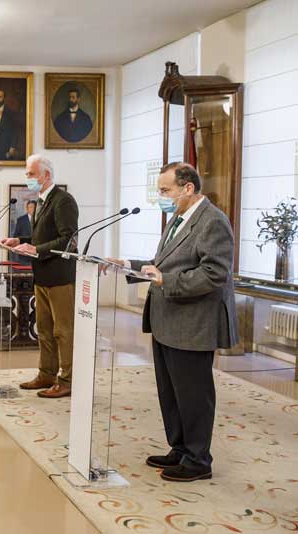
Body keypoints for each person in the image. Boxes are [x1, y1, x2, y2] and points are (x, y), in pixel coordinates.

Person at [104, 163, 236, 483]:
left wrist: (167, 280)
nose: (161, 197)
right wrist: (127, 264)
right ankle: (179, 447)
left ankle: (198, 459)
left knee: (193, 393)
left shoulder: (213, 221)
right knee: (171, 391)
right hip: (168, 320)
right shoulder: (178, 218)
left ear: (187, 188)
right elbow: (163, 265)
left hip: (193, 323)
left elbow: (214, 273)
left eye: (165, 191)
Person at [0, 154, 78, 398]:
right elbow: (41, 238)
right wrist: (21, 241)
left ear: (46, 175)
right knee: (43, 328)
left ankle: (67, 380)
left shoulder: (63, 201)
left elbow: (68, 239)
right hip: (42, 275)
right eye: (26, 174)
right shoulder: (41, 201)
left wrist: (36, 249)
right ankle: (47, 373)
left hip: (60, 277)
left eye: (31, 174)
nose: (28, 178)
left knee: (62, 331)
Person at [11, 200, 37, 265]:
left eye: (33, 207)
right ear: (27, 209)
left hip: (36, 253)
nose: (32, 209)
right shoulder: (21, 220)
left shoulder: (41, 219)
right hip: (24, 255)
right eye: (30, 207)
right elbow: (16, 236)